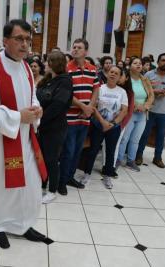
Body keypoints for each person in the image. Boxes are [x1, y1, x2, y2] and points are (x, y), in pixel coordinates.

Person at [0, 19, 47, 249]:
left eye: (27, 39)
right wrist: (17, 117)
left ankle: (21, 224)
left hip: (24, 137)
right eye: (19, 39)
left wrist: (36, 109)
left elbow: (31, 95)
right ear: (5, 41)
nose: (25, 44)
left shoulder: (25, 66)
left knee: (26, 183)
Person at [58, 38, 99, 195]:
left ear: (86, 51)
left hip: (85, 118)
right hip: (70, 118)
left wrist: (90, 108)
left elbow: (95, 89)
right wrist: (83, 106)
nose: (75, 49)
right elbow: (66, 93)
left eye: (79, 47)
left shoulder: (92, 69)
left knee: (77, 151)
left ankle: (70, 177)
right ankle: (62, 181)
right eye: (74, 47)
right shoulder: (66, 69)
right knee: (68, 151)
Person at [77, 66, 128, 189]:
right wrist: (103, 122)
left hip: (113, 127)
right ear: (107, 73)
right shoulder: (99, 89)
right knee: (93, 150)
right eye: (111, 72)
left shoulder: (122, 92)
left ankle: (107, 176)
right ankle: (87, 174)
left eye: (116, 73)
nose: (113, 74)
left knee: (110, 152)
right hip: (98, 125)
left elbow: (124, 110)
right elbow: (93, 106)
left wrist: (113, 123)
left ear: (120, 76)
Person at [36, 51, 73, 204]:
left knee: (51, 159)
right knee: (42, 158)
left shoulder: (65, 81)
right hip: (42, 126)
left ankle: (52, 190)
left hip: (54, 127)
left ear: (54, 63)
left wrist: (39, 119)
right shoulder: (49, 80)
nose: (44, 64)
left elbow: (58, 105)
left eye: (47, 61)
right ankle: (42, 185)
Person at [135, 53, 165, 168]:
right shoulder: (149, 74)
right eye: (163, 60)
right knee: (144, 134)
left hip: (164, 112)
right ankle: (139, 155)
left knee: (161, 136)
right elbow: (141, 90)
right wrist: (154, 92)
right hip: (149, 110)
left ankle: (157, 158)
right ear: (158, 62)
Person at [117, 57, 154, 171]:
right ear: (130, 66)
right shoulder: (126, 79)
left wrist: (145, 106)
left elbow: (151, 96)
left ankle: (130, 161)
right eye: (135, 63)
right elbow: (122, 94)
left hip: (142, 114)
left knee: (135, 139)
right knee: (124, 138)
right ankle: (118, 159)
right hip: (129, 113)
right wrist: (134, 105)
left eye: (140, 63)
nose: (138, 65)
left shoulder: (145, 79)